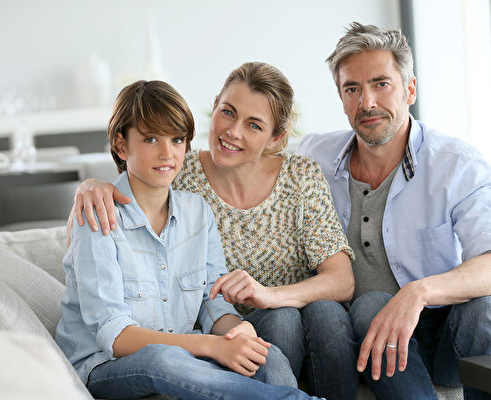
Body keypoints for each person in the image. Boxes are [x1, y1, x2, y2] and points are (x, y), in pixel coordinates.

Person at [70, 62, 357, 400]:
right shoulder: (104, 213)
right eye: (151, 139)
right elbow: (114, 336)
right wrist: (211, 345)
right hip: (108, 364)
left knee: (265, 352)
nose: (167, 152)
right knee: (165, 358)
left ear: (276, 138)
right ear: (121, 146)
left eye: (177, 140)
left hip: (187, 352)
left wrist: (239, 333)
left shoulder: (196, 210)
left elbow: (213, 302)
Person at [297, 22, 491, 399]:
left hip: (445, 336)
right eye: (352, 89)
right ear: (340, 96)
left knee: (486, 308)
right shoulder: (312, 158)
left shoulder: (456, 164)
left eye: (381, 84)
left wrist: (418, 292)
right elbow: (250, 163)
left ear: (410, 89)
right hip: (369, 336)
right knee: (372, 305)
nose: (367, 102)